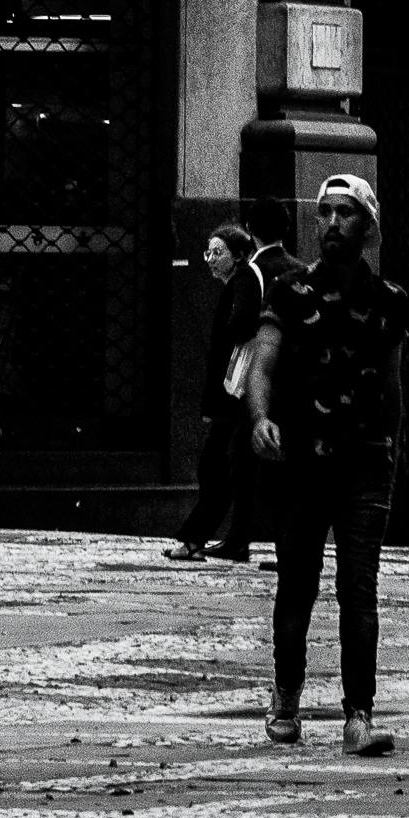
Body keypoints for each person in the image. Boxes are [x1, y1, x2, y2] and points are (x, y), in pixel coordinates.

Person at [244, 172, 409, 756]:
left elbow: (393, 386)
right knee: (297, 585)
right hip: (300, 465)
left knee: (358, 587)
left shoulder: (390, 302)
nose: (332, 223)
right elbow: (261, 365)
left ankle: (358, 717)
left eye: (344, 213)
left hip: (365, 462)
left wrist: (393, 449)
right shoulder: (289, 293)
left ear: (367, 226)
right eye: (324, 213)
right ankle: (286, 699)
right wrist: (261, 417)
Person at [166, 223, 266, 564]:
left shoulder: (243, 283)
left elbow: (237, 335)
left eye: (218, 252)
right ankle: (202, 539)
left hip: (232, 398)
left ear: (238, 255)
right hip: (228, 397)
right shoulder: (237, 284)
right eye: (207, 252)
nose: (210, 259)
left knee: (215, 469)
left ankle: (194, 540)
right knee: (220, 471)